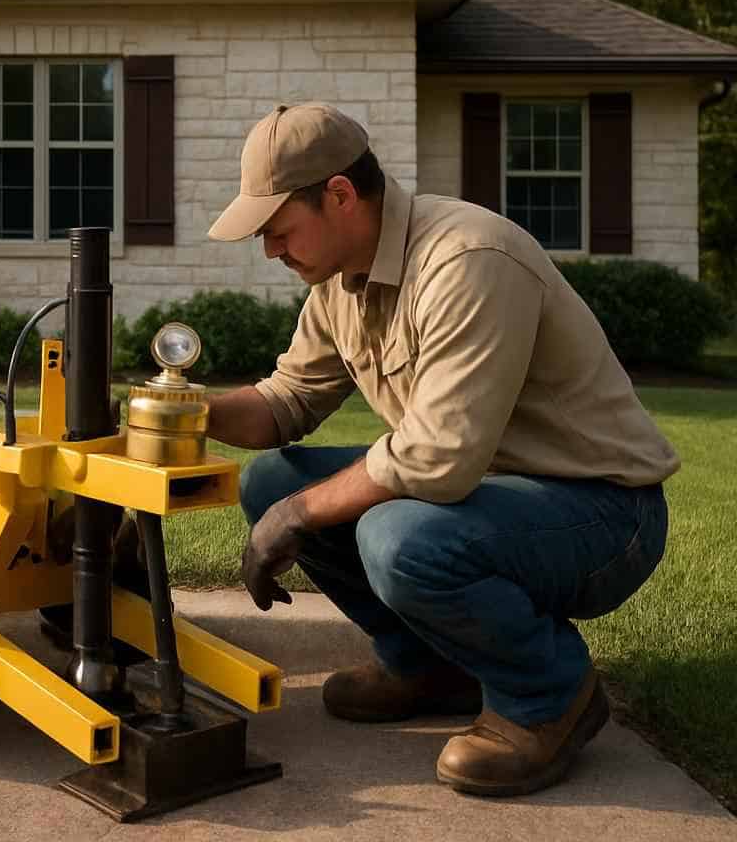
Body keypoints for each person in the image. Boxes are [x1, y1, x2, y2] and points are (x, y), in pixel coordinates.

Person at [203, 101, 677, 797]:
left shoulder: (466, 258)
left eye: (277, 230)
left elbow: (435, 459)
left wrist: (300, 516)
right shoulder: (338, 281)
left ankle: (549, 697)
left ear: (338, 195)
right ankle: (429, 665)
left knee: (399, 536)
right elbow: (286, 404)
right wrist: (173, 410)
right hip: (486, 496)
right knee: (274, 481)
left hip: (601, 511)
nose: (271, 250)